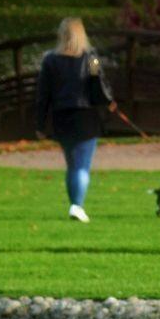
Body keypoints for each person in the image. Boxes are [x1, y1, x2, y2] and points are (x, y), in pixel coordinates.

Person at [35, 17, 115, 223]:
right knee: (82, 166)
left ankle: (75, 204)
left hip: (62, 116)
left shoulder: (49, 60)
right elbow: (99, 85)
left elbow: (43, 95)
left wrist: (40, 123)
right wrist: (108, 103)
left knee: (72, 165)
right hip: (86, 116)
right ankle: (77, 205)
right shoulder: (92, 57)